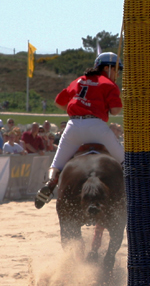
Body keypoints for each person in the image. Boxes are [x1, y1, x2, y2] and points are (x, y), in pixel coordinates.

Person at [34, 52, 125, 210]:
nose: (117, 74)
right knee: (126, 162)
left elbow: (59, 102)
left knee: (57, 164)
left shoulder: (78, 80)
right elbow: (116, 110)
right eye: (117, 70)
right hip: (97, 127)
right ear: (108, 68)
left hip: (74, 126)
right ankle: (135, 190)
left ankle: (49, 185)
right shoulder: (109, 84)